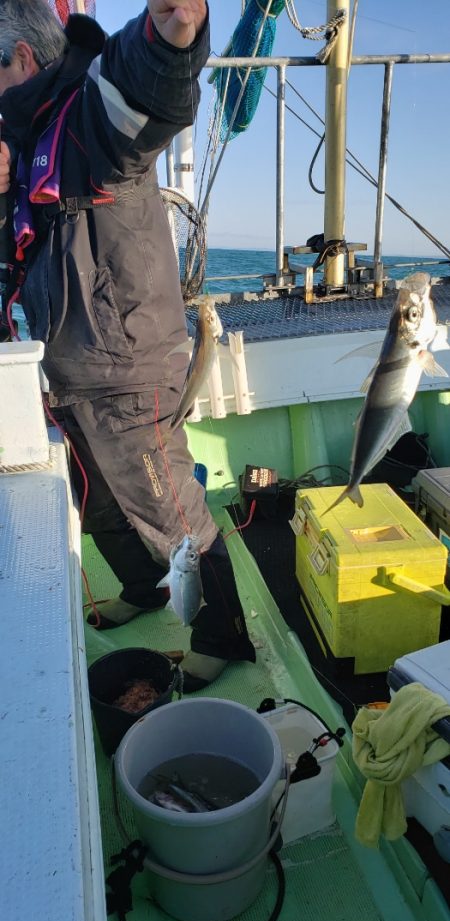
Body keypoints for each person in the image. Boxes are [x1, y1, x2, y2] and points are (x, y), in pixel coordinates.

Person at [0, 0, 256, 691]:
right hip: (65, 369)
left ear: (22, 61)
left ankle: (224, 631)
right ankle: (144, 588)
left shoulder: (84, 117)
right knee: (104, 503)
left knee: (171, 512)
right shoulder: (24, 144)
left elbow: (142, 90)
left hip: (124, 367)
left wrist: (172, 35)